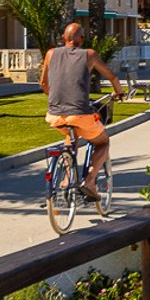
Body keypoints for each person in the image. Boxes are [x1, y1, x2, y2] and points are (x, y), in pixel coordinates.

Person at [42, 22, 125, 201]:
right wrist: (119, 92)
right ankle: (89, 181)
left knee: (70, 136)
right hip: (80, 113)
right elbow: (112, 76)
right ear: (81, 39)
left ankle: (65, 179)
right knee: (103, 142)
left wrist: (56, 97)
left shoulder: (50, 54)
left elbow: (43, 84)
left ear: (64, 38)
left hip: (54, 115)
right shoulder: (89, 55)